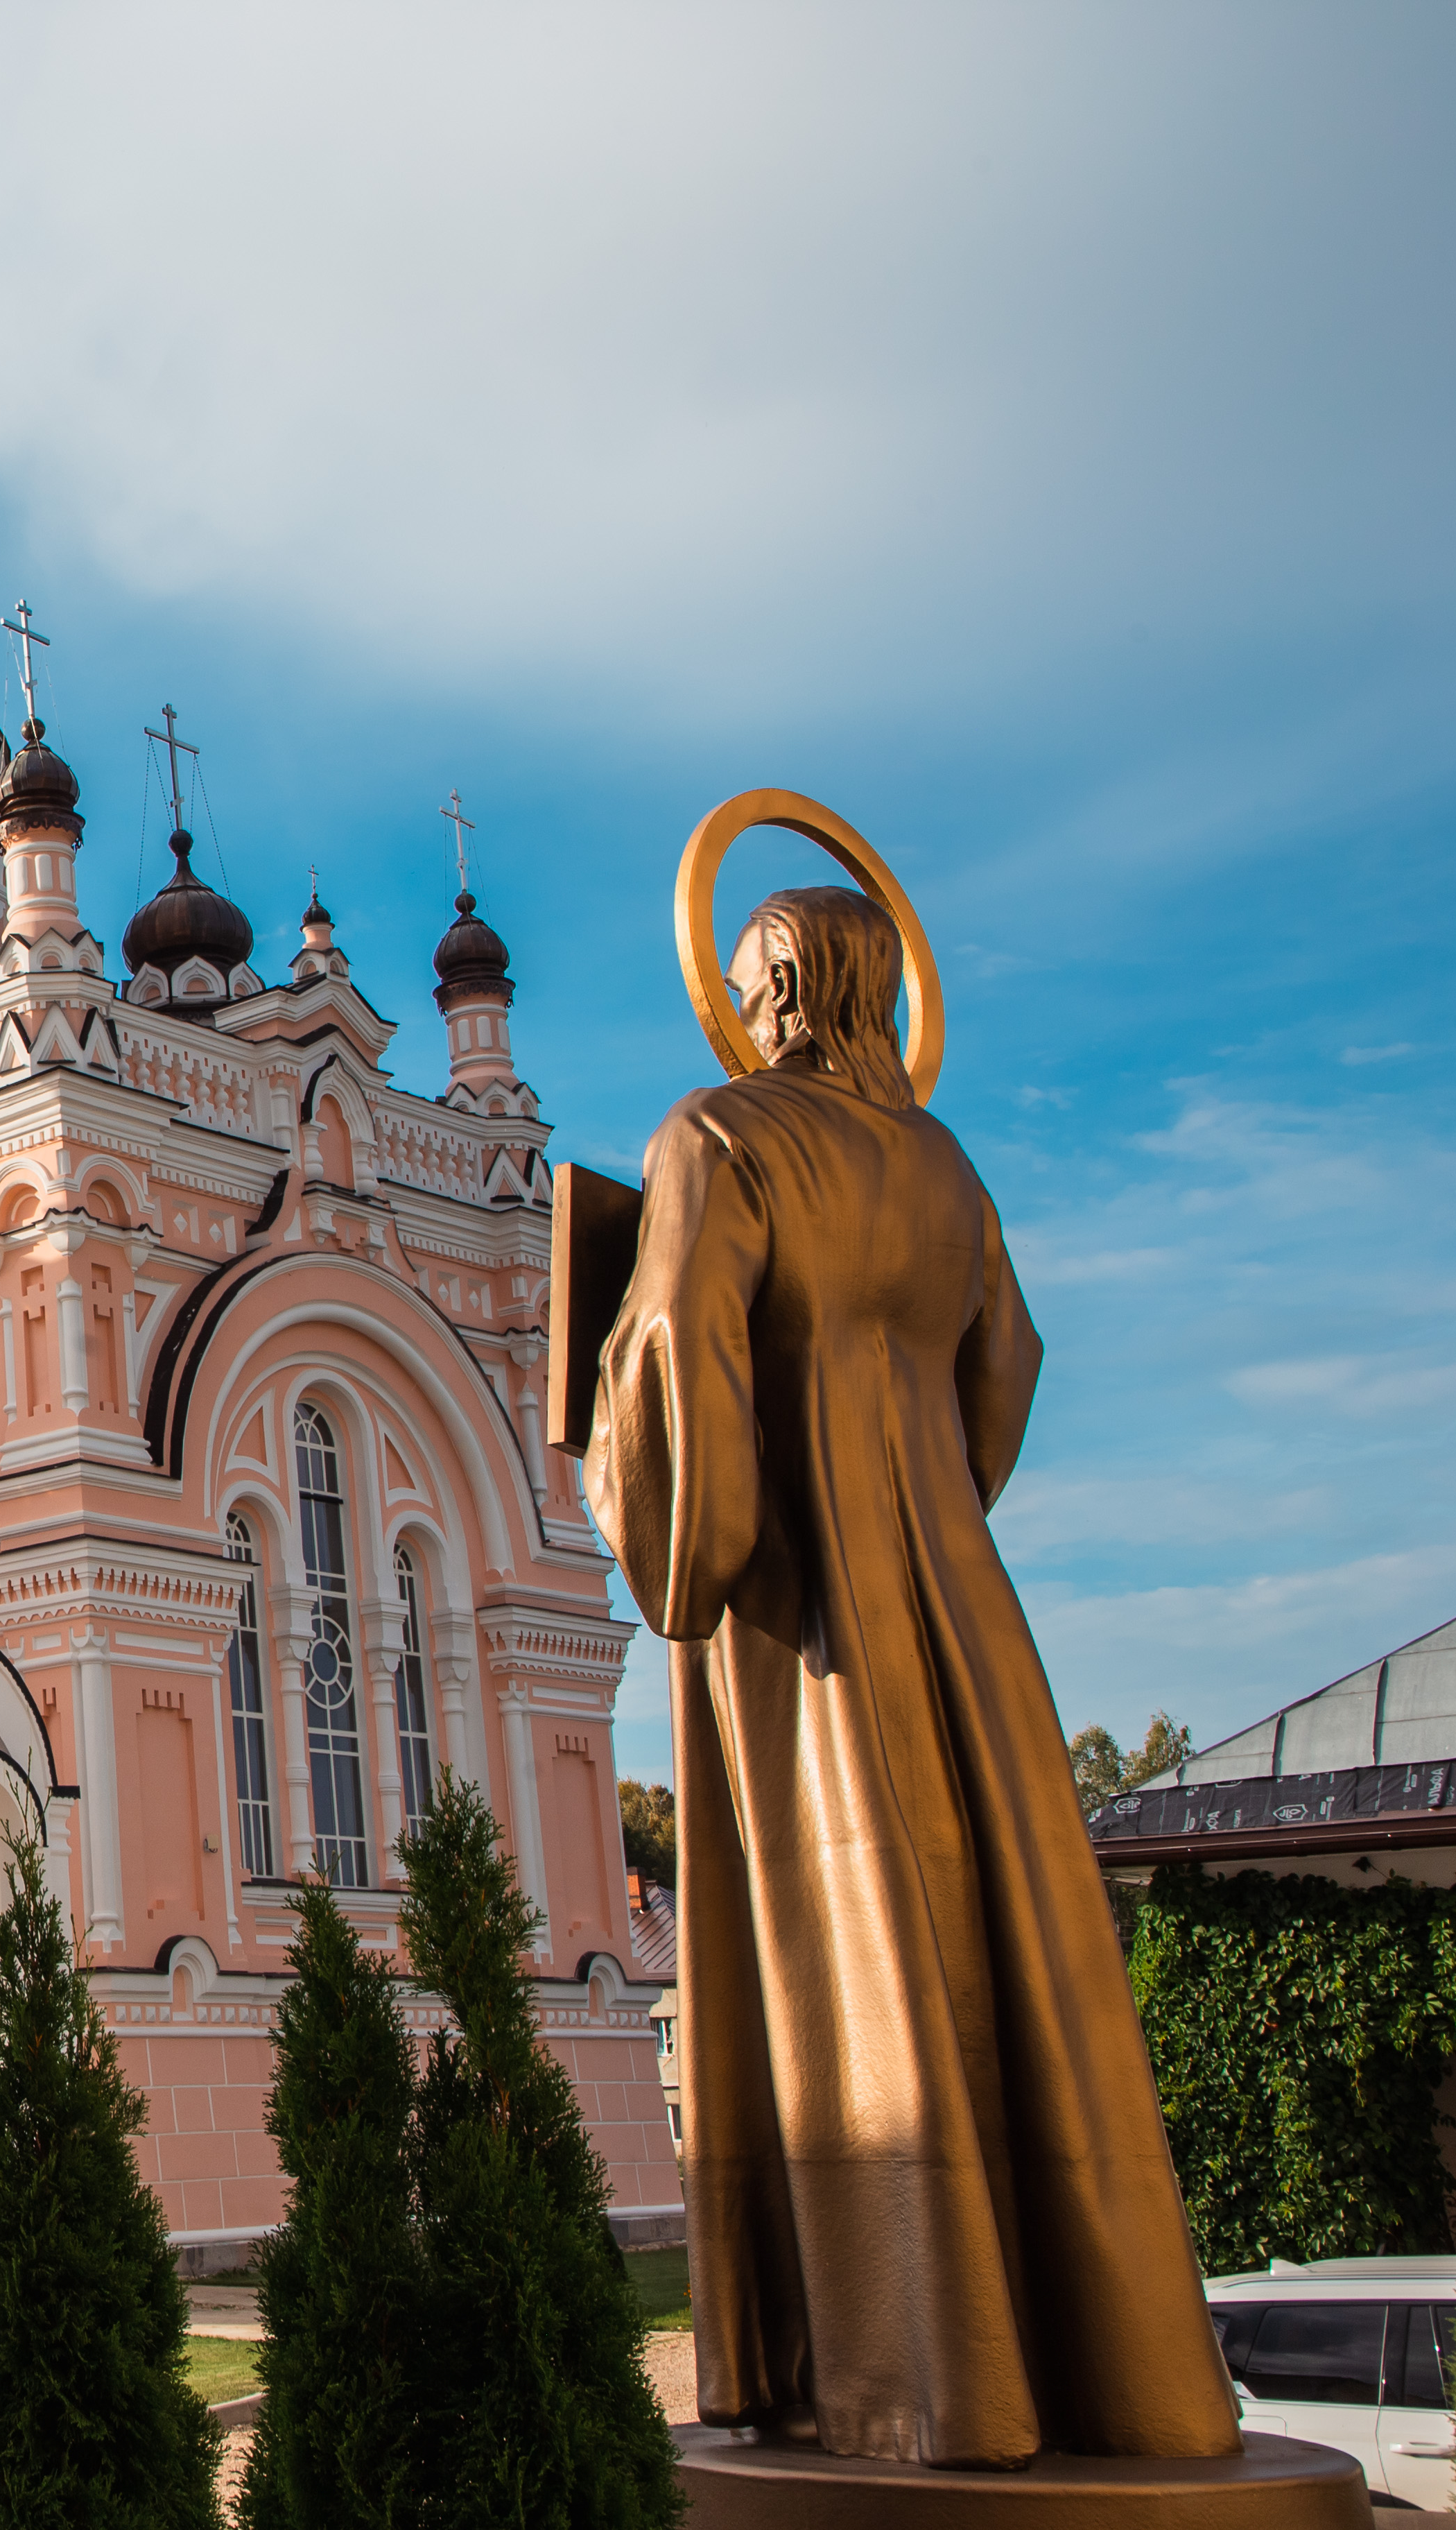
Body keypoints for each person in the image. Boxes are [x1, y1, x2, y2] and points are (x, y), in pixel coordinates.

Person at [584, 885, 1239, 2470]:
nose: (746, 1006)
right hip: (958, 1598)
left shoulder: (719, 1135)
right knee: (1009, 1934)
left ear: (783, 986)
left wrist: (635, 1450)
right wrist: (930, 1508)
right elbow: (1006, 1371)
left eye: (756, 981)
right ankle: (1102, 2366)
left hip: (797, 1606)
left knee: (840, 1937)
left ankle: (906, 2374)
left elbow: (679, 1382)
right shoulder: (946, 1167)